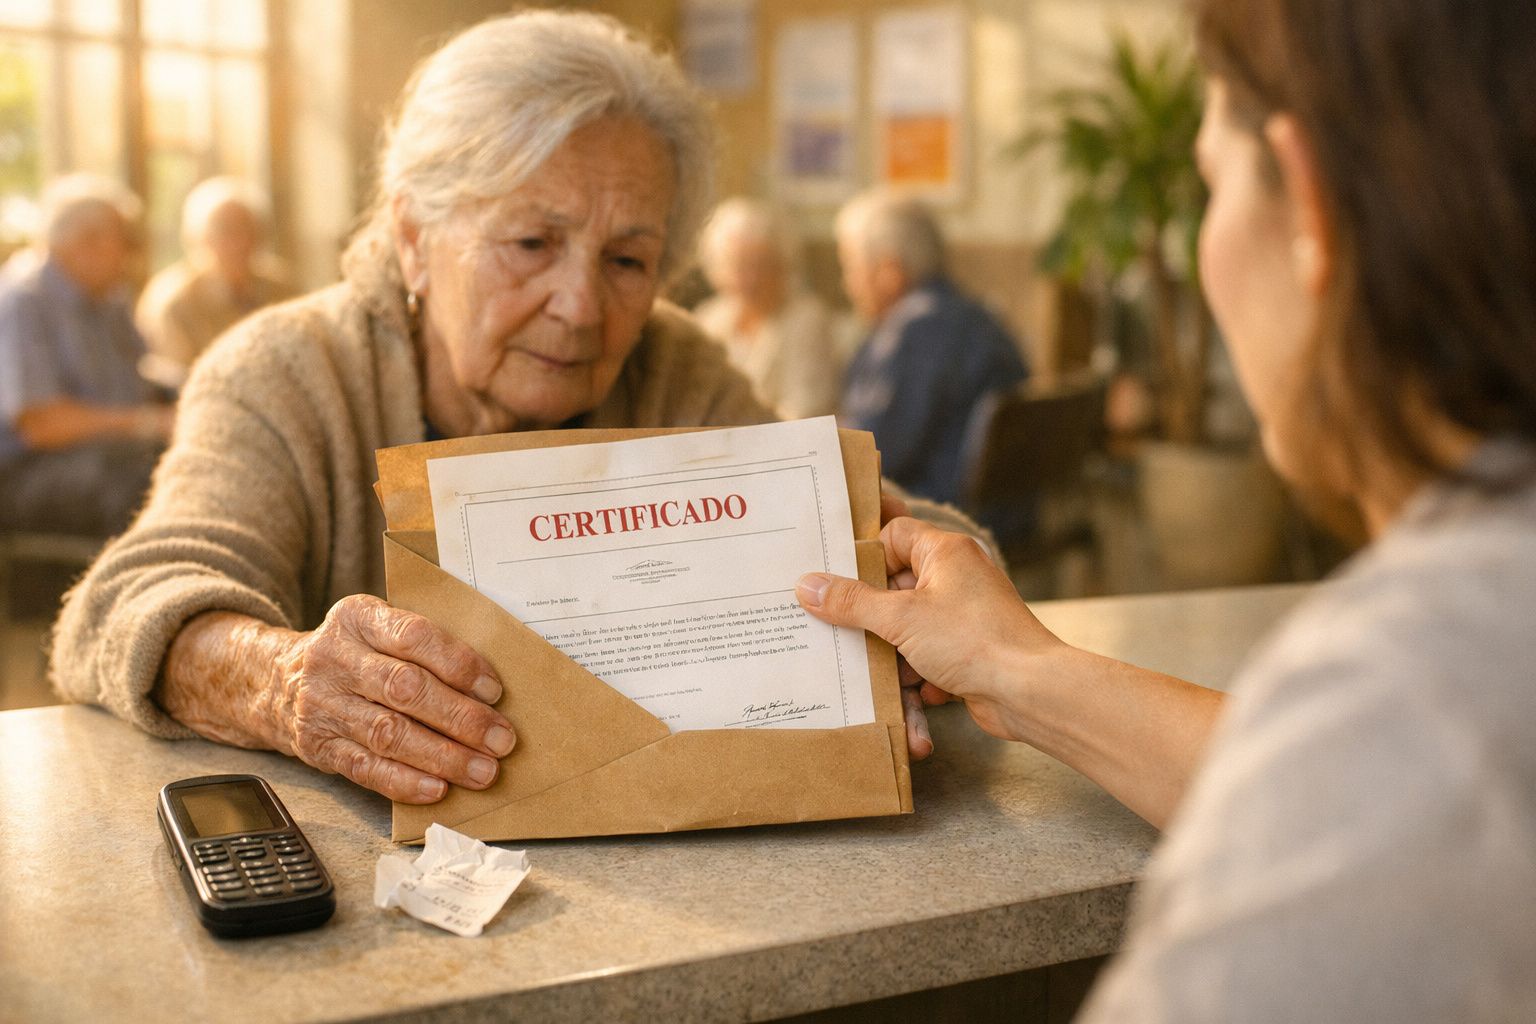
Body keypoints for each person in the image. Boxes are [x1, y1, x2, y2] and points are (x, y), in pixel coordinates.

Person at [797, 1, 1536, 1019]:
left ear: (1309, 207)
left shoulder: (1419, 691)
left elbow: (1371, 781)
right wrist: (1018, 668)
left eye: (1214, 184)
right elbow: (1323, 798)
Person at [52, 12, 964, 809]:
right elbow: (125, 604)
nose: (579, 306)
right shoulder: (285, 372)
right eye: (531, 242)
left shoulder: (672, 364)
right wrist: (283, 682)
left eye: (628, 261)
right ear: (413, 238)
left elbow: (931, 541)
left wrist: (900, 585)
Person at [0, 174, 173, 538]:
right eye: (124, 242)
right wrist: (146, 422)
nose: (131, 254)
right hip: (28, 474)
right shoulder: (22, 302)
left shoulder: (109, 299)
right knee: (148, 475)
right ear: (83, 244)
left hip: (105, 454)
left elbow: (142, 372)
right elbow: (41, 425)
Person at [835, 191, 1028, 505]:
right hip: (1008, 513)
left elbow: (868, 455)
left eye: (850, 266)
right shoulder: (979, 315)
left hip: (942, 517)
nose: (848, 283)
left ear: (889, 273)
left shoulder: (913, 333)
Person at [693, 197, 855, 418]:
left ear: (783, 265)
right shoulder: (708, 319)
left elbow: (806, 410)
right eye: (738, 266)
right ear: (717, 269)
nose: (750, 279)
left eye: (760, 265)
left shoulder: (807, 320)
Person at [136, 176, 294, 383]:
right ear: (199, 237)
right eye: (227, 232)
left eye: (248, 230)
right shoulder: (173, 300)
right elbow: (179, 378)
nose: (240, 243)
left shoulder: (281, 289)